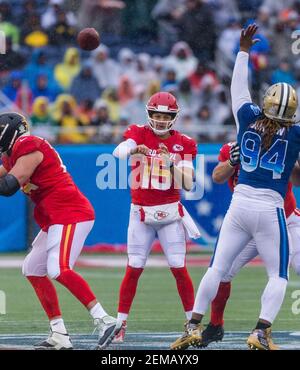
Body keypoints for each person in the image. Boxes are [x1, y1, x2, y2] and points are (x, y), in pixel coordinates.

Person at [171, 24, 300, 351]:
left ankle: (193, 325)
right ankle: (260, 331)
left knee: (216, 268)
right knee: (278, 276)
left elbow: (238, 88)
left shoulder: (247, 118)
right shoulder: (296, 135)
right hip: (271, 209)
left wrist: (243, 51)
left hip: (240, 204)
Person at [0, 112, 121, 350]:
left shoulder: (29, 145)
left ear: (11, 131)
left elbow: (8, 186)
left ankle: (105, 319)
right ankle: (59, 335)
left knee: (58, 269)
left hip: (70, 213)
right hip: (56, 217)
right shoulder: (13, 154)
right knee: (32, 268)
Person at [112, 91, 200, 343]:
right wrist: (133, 149)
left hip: (170, 213)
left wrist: (169, 164)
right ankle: (120, 323)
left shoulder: (184, 142)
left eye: (166, 116)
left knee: (179, 268)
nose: (161, 120)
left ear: (173, 117)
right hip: (140, 212)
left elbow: (189, 184)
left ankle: (191, 324)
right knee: (134, 267)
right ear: (149, 114)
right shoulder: (138, 133)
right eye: (157, 115)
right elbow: (119, 151)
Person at [198, 141, 300, 348]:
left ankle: (262, 329)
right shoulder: (236, 145)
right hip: (250, 222)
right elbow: (217, 176)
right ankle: (216, 325)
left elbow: (297, 180)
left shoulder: (282, 143)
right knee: (223, 273)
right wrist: (232, 160)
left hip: (284, 218)